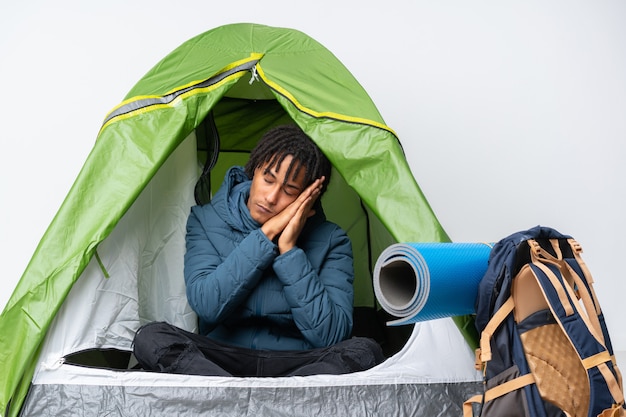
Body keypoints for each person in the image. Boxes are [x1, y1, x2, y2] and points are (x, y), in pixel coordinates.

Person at [132, 124, 385, 377]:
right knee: (151, 338)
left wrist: (289, 250)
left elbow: (330, 335)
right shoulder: (206, 219)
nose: (271, 197)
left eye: (289, 190)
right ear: (254, 171)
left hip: (297, 364)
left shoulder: (332, 240)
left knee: (365, 351)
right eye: (268, 179)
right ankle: (247, 397)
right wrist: (266, 236)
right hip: (221, 360)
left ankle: (243, 400)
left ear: (308, 199)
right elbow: (206, 304)